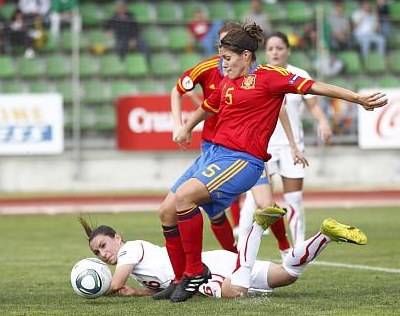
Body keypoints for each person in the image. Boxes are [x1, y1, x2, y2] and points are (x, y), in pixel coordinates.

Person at [160, 23, 386, 303]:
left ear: (245, 55)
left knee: (185, 197)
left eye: (227, 59)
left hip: (242, 160)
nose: (223, 64)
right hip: (214, 154)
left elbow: (313, 87)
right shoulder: (228, 80)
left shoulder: (270, 76)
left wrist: (356, 98)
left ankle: (195, 272)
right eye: (221, 58)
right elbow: (209, 105)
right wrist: (185, 127)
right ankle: (179, 275)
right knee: (166, 211)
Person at [170, 22, 303, 258]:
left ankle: (284, 247)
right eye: (222, 51)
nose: (224, 57)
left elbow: (279, 104)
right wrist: (181, 126)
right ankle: (232, 256)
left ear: (244, 52)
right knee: (213, 210)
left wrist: (293, 143)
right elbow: (182, 92)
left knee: (265, 202)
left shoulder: (257, 74)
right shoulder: (209, 69)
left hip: (248, 151)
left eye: (228, 52)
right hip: (214, 147)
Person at [79, 216, 368, 299]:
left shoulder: (129, 249)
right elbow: (162, 285)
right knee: (286, 276)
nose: (104, 254)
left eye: (104, 246)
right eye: (97, 253)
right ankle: (326, 235)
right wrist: (139, 294)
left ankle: (256, 227)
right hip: (212, 263)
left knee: (235, 292)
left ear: (118, 238)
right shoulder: (138, 266)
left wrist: (93, 288)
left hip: (207, 269)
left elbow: (114, 284)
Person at [237, 31, 333, 249]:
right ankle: (243, 247)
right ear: (265, 52)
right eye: (270, 48)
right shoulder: (255, 76)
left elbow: (313, 106)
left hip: (293, 146)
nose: (275, 52)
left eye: (279, 48)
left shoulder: (299, 74)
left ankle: (299, 247)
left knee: (294, 200)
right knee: (255, 200)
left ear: (288, 50)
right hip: (264, 146)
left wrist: (323, 121)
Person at [104, 0, 151, 64]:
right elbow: (106, 27)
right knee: (120, 47)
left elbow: (137, 28)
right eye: (119, 6)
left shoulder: (131, 16)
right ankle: (123, 63)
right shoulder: (113, 17)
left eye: (123, 6)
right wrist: (108, 34)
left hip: (134, 38)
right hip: (121, 38)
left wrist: (133, 39)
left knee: (144, 45)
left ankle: (147, 63)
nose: (121, 8)